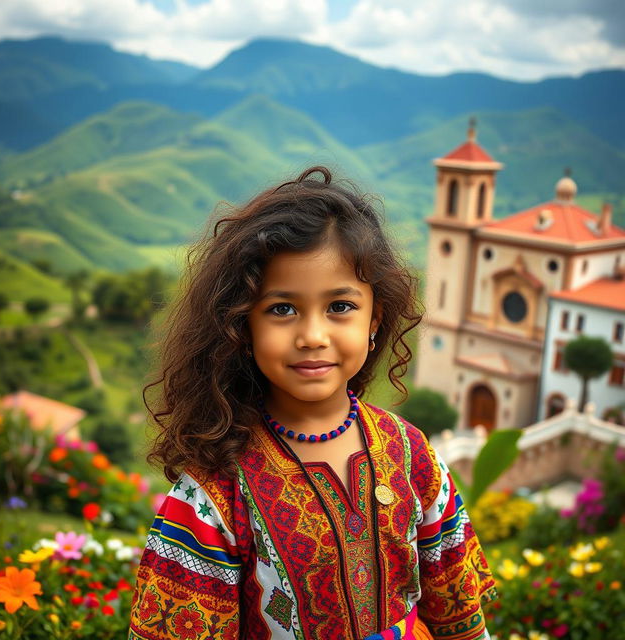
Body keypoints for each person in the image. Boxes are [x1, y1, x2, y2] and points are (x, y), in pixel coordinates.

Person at [129, 166, 496, 640]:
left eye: (340, 307)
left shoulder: (411, 453)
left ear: (374, 318)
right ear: (242, 327)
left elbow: (458, 616)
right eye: (282, 309)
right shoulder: (215, 491)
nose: (313, 337)